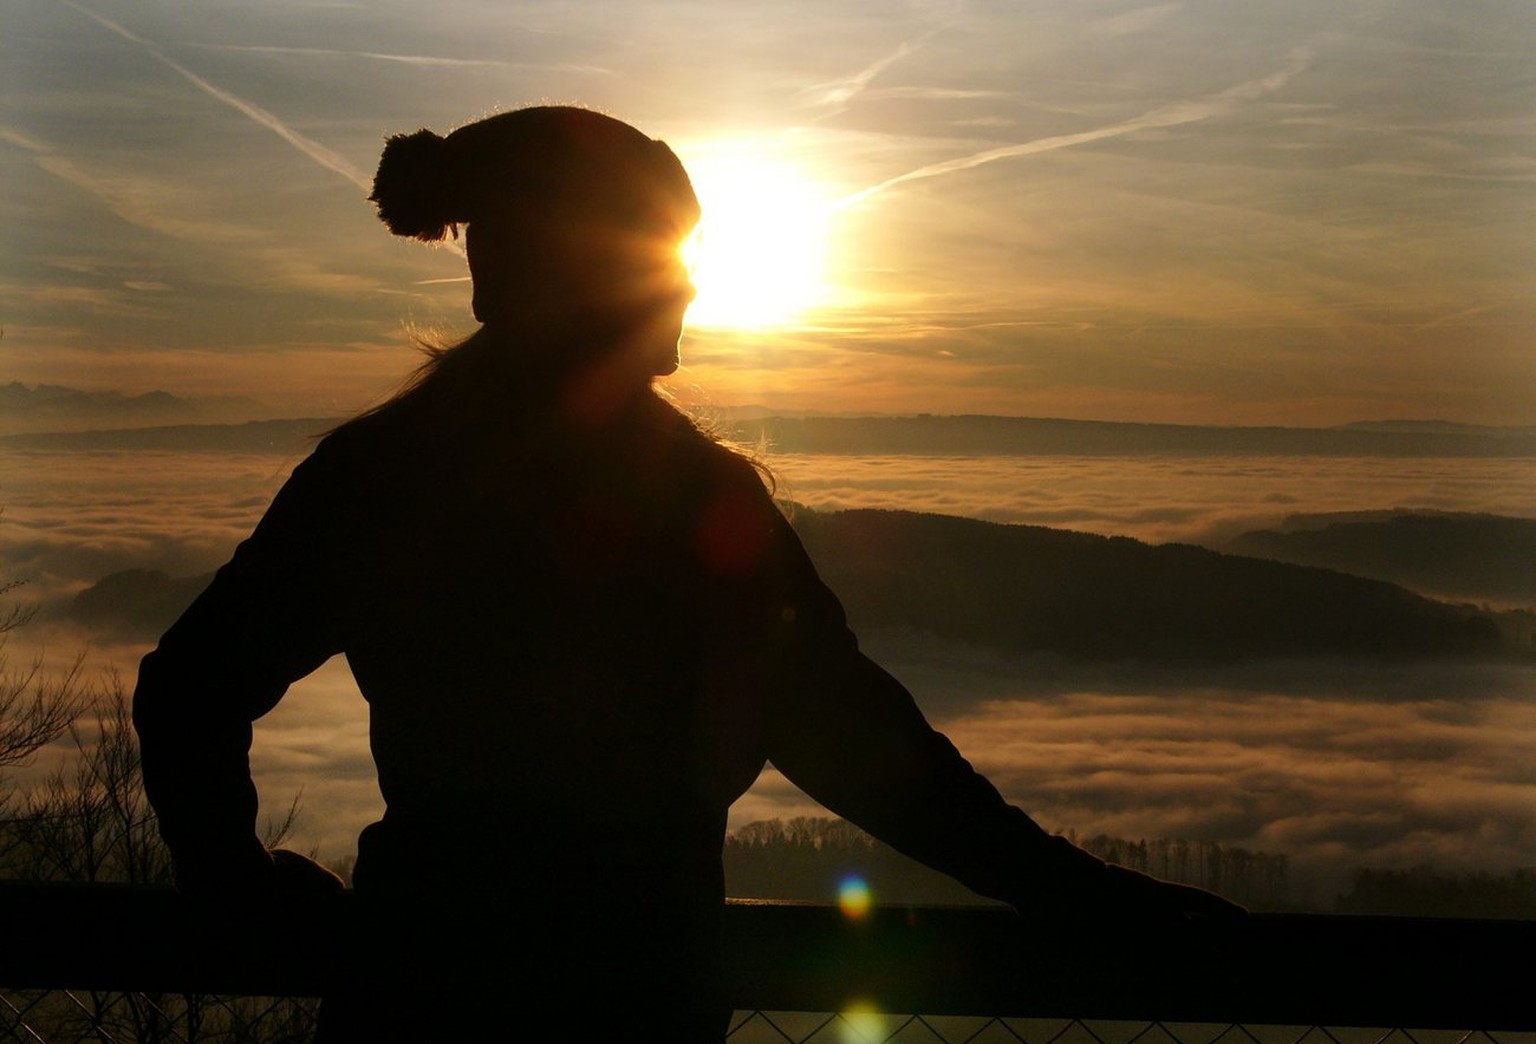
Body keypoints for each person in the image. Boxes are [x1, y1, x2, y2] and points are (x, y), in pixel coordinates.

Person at [133, 105, 1241, 1042]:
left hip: (415, 990)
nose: (689, 294)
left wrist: (235, 892)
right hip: (640, 998)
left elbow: (193, 684)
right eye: (667, 259)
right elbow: (860, 744)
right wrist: (1089, 901)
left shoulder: (385, 475)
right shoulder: (695, 498)